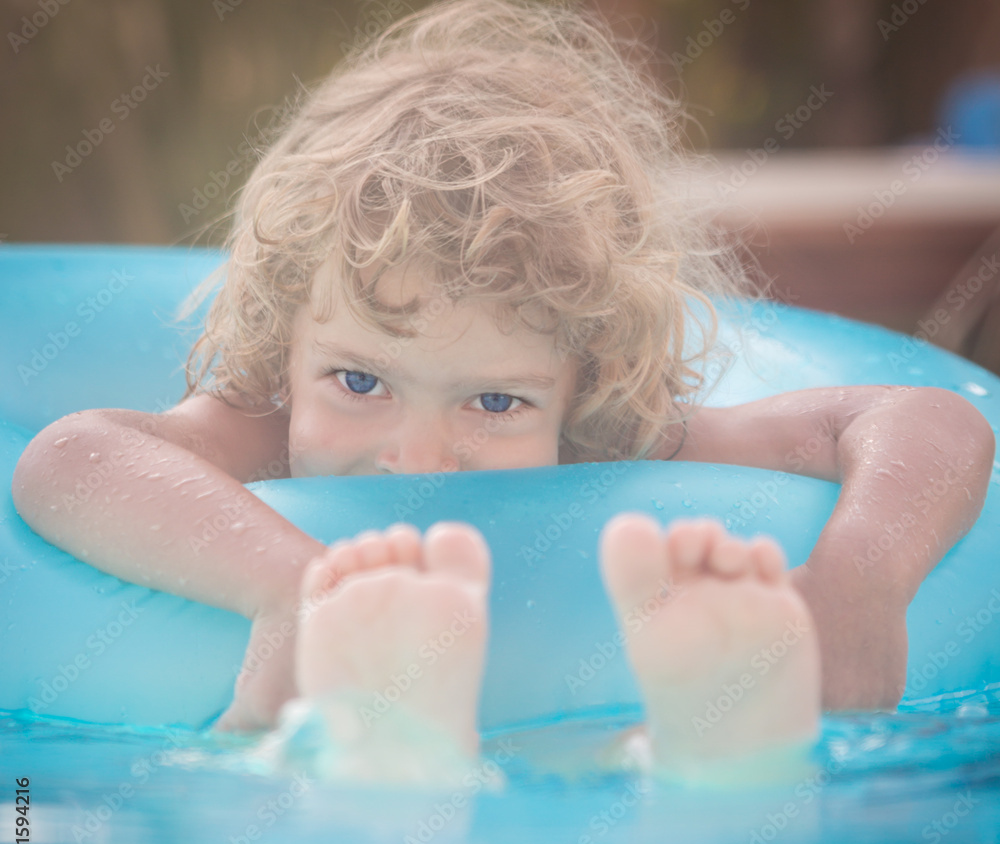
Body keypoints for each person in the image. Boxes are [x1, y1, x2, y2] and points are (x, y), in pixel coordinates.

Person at [11, 0, 994, 784]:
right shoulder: (264, 421)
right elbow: (66, 459)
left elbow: (926, 416)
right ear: (286, 343)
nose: (418, 461)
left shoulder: (605, 439)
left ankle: (704, 764)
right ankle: (680, 782)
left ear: (582, 383)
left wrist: (862, 573)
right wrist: (295, 586)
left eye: (493, 403)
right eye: (361, 380)